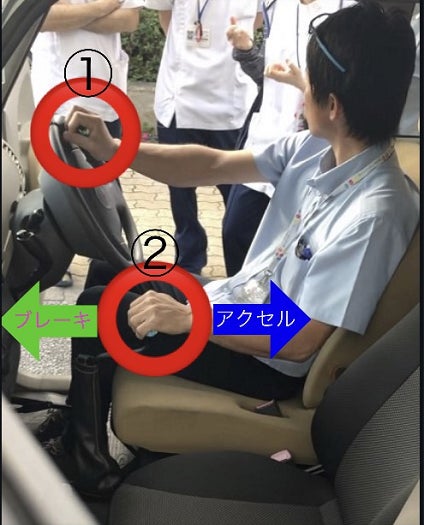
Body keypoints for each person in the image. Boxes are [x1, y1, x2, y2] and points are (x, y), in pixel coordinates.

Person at [46, 1, 419, 497]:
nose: (301, 89)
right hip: (238, 304)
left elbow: (300, 337)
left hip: (266, 361)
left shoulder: (375, 212)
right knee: (107, 276)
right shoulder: (315, 149)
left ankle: (88, 461)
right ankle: (78, 417)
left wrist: (191, 317)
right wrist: (114, 150)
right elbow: (211, 164)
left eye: (309, 79)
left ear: (332, 105)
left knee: (100, 306)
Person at [223, 0, 354, 276]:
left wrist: (303, 85)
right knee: (236, 232)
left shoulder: (349, 12)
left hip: (318, 151)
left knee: (293, 255)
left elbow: (351, 96)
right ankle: (241, 298)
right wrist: (247, 50)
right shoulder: (278, 6)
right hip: (268, 138)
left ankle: (270, 302)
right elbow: (268, 78)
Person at [140, 0, 262, 275]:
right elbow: (165, 15)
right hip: (180, 98)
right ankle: (189, 259)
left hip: (231, 100)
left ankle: (242, 270)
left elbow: (260, 18)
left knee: (237, 194)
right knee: (180, 190)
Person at [30, 0, 143, 286]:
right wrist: (105, 6)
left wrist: (73, 16)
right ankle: (53, 264)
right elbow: (44, 18)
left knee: (105, 196)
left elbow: (129, 19)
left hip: (107, 102)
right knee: (59, 195)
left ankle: (104, 271)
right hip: (59, 101)